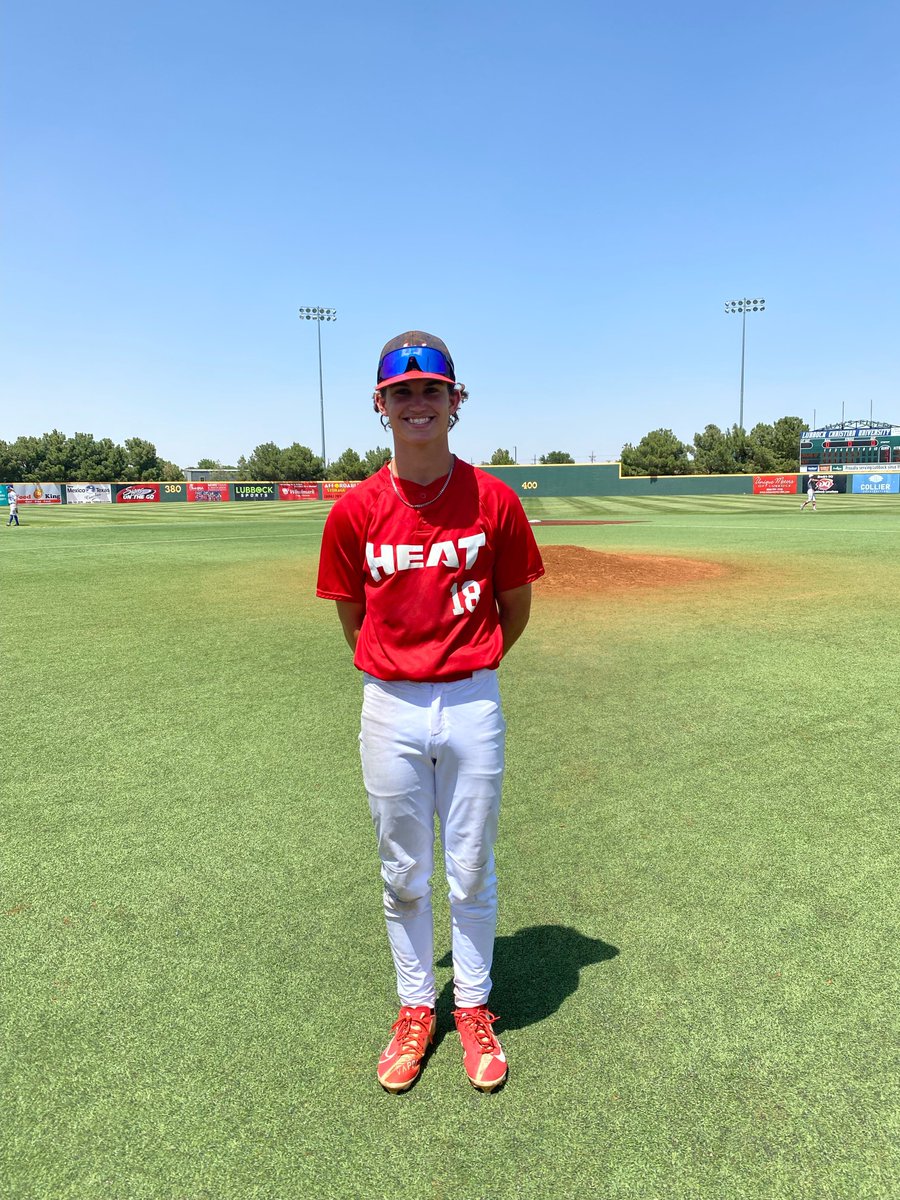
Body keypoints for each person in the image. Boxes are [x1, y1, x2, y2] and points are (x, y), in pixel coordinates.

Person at [316, 331, 544, 1093]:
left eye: (432, 389)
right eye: (402, 392)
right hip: (389, 705)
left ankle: (473, 1005)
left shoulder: (496, 500)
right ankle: (418, 1006)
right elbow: (355, 615)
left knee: (470, 868)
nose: (419, 403)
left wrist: (464, 670)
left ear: (456, 401)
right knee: (404, 874)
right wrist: (408, 675)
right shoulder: (354, 511)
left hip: (473, 698)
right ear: (380, 406)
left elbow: (515, 608)